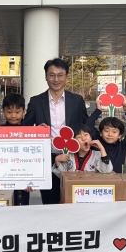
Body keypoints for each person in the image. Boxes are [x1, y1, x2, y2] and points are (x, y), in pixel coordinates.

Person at [24, 58, 89, 204]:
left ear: (66, 77)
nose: (56, 79)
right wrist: (35, 130)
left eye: (60, 75)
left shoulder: (77, 101)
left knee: (74, 200)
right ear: (46, 76)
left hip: (73, 159)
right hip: (47, 159)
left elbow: (85, 127)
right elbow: (25, 128)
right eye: (52, 75)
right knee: (50, 202)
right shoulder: (36, 102)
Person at [85, 98, 126, 173]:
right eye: (106, 131)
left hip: (117, 178)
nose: (110, 134)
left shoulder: (122, 145)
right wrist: (98, 110)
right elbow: (88, 126)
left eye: (114, 132)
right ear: (101, 133)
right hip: (97, 178)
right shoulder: (97, 142)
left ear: (120, 135)